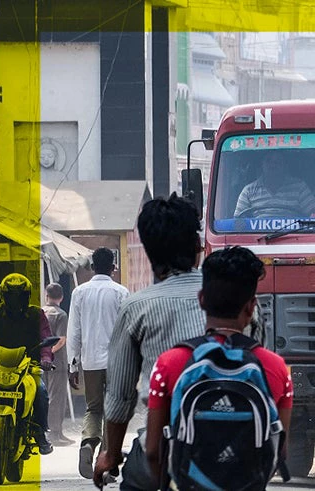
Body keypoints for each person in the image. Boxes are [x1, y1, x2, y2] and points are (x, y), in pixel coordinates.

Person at [144, 246, 292, 485]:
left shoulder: (169, 363)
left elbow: (153, 451)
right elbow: (279, 451)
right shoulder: (276, 367)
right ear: (251, 307)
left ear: (201, 299)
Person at [94, 194, 207, 489]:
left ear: (148, 252)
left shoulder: (137, 307)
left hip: (164, 449)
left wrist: (111, 454)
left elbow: (120, 396)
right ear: (197, 247)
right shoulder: (238, 303)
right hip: (240, 448)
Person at [67, 247, 130, 478]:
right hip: (118, 362)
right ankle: (107, 463)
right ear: (113, 268)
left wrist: (72, 365)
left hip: (91, 360)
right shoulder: (121, 292)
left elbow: (73, 330)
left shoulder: (79, 293)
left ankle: (88, 443)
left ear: (92, 267)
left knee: (94, 408)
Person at [0, 273, 55, 454]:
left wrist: (46, 358)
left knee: (40, 391)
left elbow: (46, 337)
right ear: (3, 296)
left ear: (27, 296)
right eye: (11, 296)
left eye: (20, 296)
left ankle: (40, 433)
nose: (15, 300)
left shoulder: (36, 314)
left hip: (28, 366)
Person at [233, 152, 315, 219]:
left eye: (278, 162)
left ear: (285, 166)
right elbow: (238, 221)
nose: (273, 165)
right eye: (268, 160)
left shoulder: (300, 187)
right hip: (257, 240)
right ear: (262, 164)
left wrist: (314, 215)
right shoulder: (248, 191)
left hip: (295, 238)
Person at [44, 283, 75, 447]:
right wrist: (51, 352)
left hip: (42, 361)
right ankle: (55, 434)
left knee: (45, 395)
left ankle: (50, 432)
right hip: (56, 361)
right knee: (57, 397)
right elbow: (61, 339)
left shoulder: (40, 312)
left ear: (45, 295)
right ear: (62, 297)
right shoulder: (61, 315)